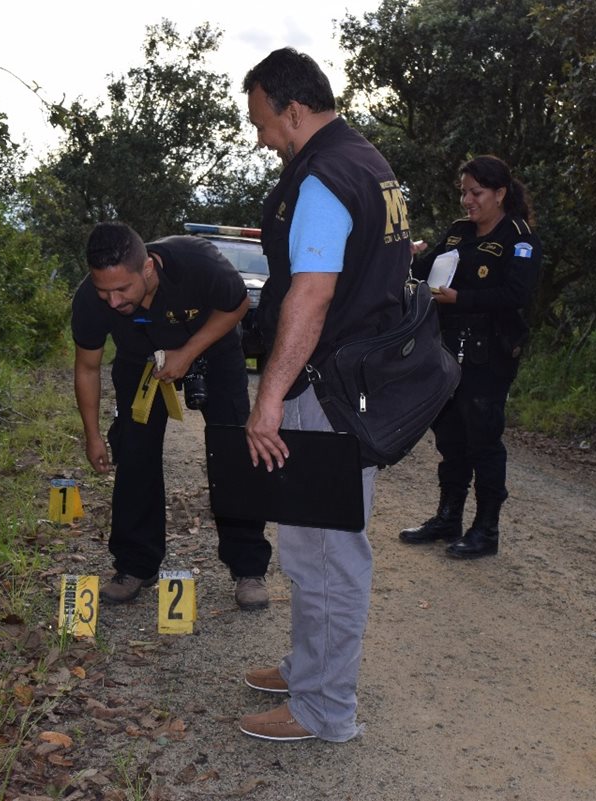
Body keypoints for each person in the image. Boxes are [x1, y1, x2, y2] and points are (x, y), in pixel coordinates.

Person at [236, 48, 412, 742]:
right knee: (309, 547)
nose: (261, 139)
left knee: (330, 553)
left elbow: (311, 297)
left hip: (329, 390)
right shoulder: (366, 161)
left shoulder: (323, 179)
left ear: (293, 110)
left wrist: (269, 397)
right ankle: (307, 671)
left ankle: (325, 709)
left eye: (262, 123)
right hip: (350, 381)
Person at [71, 222, 272, 610]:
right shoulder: (90, 300)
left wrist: (188, 353)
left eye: (122, 290)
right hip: (140, 362)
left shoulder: (196, 261)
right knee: (134, 454)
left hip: (213, 351)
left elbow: (237, 305)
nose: (112, 301)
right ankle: (135, 565)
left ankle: (248, 567)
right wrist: (92, 435)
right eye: (103, 291)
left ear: (147, 268)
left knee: (232, 452)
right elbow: (87, 368)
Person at [398, 155, 542, 559]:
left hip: (489, 354)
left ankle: (486, 529)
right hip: (447, 350)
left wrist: (461, 299)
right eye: (463, 192)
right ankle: (448, 518)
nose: (467, 200)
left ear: (500, 193)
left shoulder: (520, 238)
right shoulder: (459, 231)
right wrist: (407, 256)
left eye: (476, 192)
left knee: (483, 439)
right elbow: (425, 270)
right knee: (450, 437)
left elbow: (517, 295)